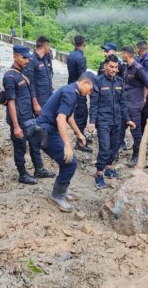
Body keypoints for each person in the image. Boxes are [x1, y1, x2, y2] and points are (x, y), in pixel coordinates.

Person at [37, 74, 94, 212]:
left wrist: (79, 133)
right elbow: (61, 118)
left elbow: (69, 116)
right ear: (85, 82)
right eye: (90, 89)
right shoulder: (70, 92)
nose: (89, 93)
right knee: (70, 162)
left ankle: (61, 191)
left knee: (67, 161)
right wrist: (67, 145)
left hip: (49, 130)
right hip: (45, 132)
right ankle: (57, 195)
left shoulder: (72, 91)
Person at [3, 45, 54, 185]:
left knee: (35, 143)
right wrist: (16, 126)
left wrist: (36, 105)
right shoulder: (10, 76)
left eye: (28, 57)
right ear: (15, 56)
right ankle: (22, 174)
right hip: (19, 119)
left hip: (29, 116)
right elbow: (11, 103)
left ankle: (39, 169)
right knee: (20, 147)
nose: (26, 60)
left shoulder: (24, 72)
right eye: (23, 57)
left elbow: (31, 90)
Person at [88, 55, 136, 189]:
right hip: (103, 121)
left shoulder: (120, 82)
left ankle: (108, 168)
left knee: (115, 146)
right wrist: (92, 121)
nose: (114, 70)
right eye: (111, 67)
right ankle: (99, 174)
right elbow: (93, 104)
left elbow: (123, 103)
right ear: (105, 67)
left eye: (116, 67)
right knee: (104, 148)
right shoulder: (98, 82)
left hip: (118, 121)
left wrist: (128, 120)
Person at [122, 46, 148, 167]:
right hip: (126, 104)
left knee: (136, 132)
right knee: (120, 129)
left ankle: (136, 156)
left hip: (134, 106)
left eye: (122, 54)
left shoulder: (139, 69)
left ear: (126, 54)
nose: (122, 56)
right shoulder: (127, 68)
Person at [97, 42, 128, 149]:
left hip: (117, 97)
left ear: (114, 52)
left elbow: (123, 82)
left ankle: (120, 142)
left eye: (107, 51)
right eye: (104, 51)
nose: (104, 53)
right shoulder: (103, 64)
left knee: (119, 122)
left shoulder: (122, 66)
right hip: (104, 100)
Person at [66, 34, 92, 152]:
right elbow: (83, 77)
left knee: (77, 114)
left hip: (71, 86)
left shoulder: (71, 55)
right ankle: (80, 142)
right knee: (82, 114)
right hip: (79, 89)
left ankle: (81, 136)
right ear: (84, 43)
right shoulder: (80, 58)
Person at [24, 36, 53, 112]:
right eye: (49, 46)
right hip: (40, 99)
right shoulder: (31, 61)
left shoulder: (45, 59)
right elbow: (30, 84)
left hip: (48, 96)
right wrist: (35, 103)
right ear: (46, 46)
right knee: (41, 121)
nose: (49, 48)